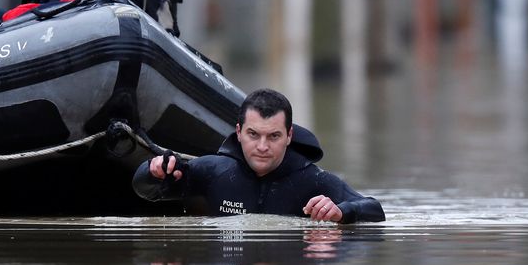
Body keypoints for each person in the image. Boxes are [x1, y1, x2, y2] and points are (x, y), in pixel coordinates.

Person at [133, 88, 386, 222]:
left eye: (273, 136)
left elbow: (374, 211)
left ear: (289, 135)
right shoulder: (214, 171)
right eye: (254, 135)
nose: (262, 146)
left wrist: (341, 212)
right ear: (239, 132)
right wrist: (154, 171)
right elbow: (142, 189)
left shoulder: (313, 180)